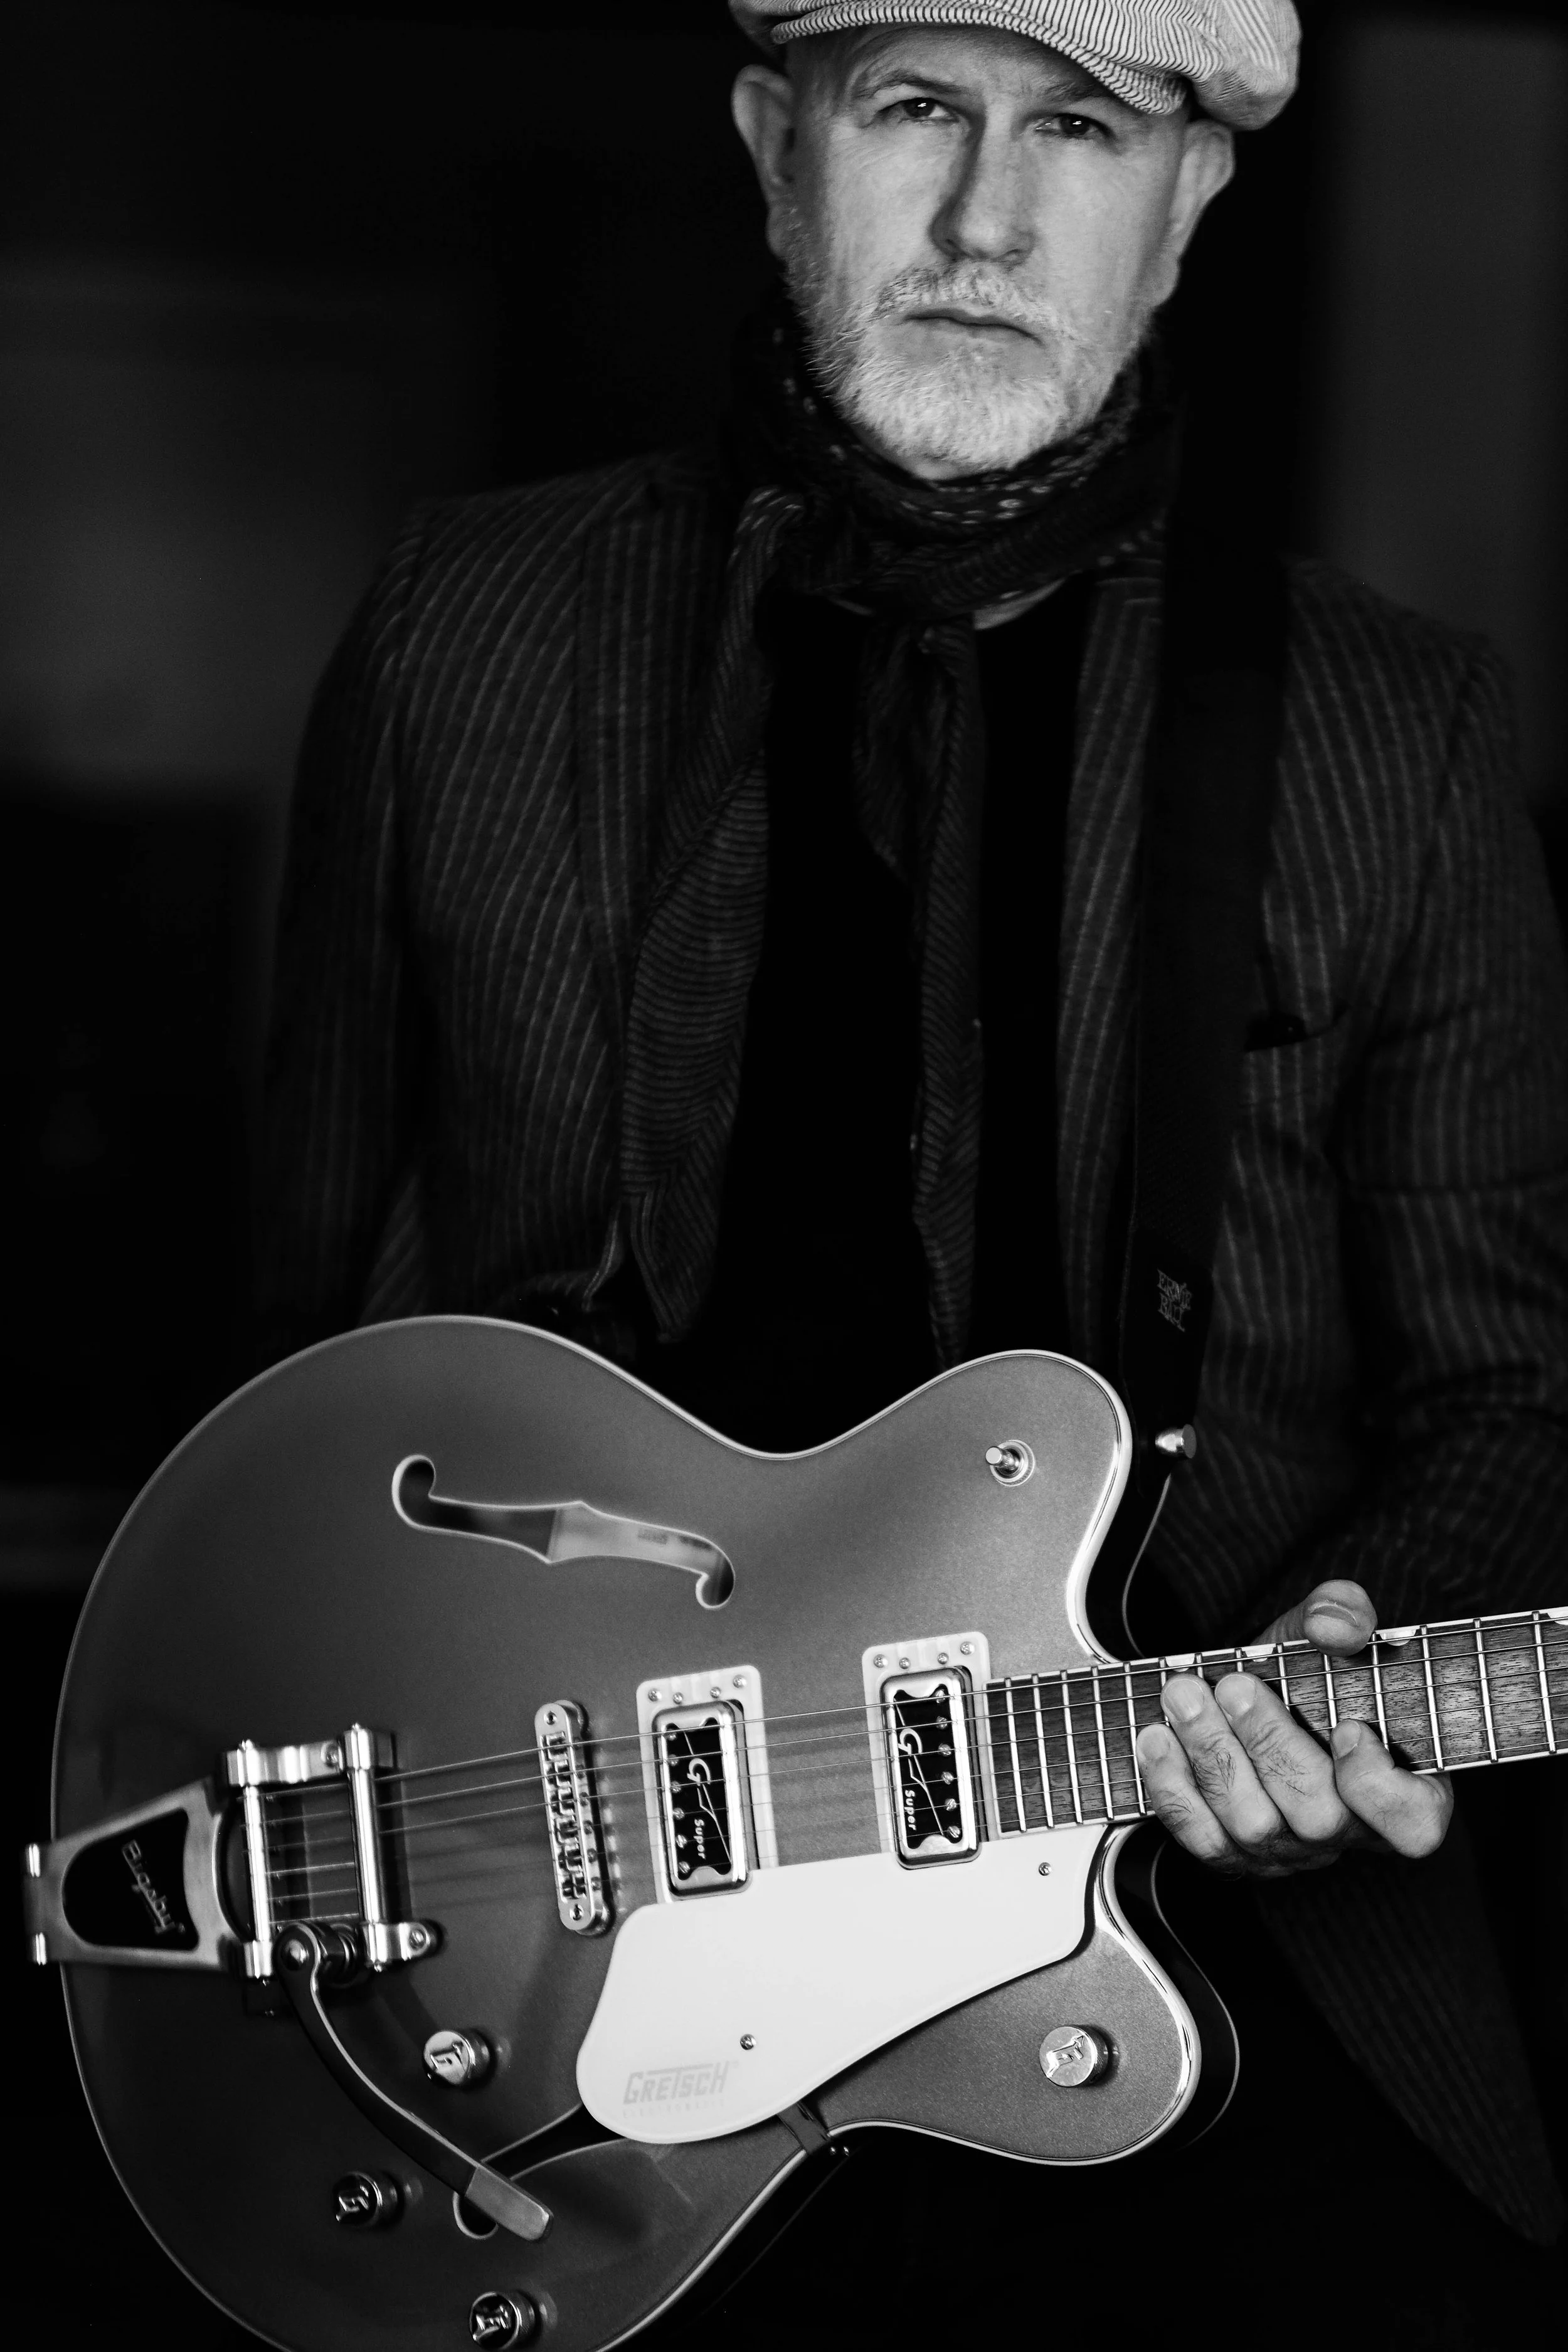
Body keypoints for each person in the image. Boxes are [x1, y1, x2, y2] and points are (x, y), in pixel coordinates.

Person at [262, 4, 1568, 2340]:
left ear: (1191, 201)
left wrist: (1347, 1652)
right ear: (777, 142)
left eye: (1078, 125)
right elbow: (305, 1355)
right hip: (564, 1986)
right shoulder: (466, 627)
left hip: (1206, 1990)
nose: (988, 217)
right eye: (914, 108)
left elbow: (1515, 1395)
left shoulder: (1394, 726)